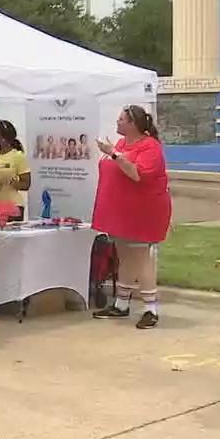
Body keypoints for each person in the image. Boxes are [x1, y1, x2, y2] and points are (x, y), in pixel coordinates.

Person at [92, 106, 172, 329]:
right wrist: (114, 152)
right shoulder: (121, 144)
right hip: (120, 211)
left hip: (142, 212)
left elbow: (138, 174)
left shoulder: (150, 147)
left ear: (132, 124)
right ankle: (121, 304)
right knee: (125, 256)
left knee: (141, 257)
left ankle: (150, 309)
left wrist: (113, 154)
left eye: (121, 120)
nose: (117, 123)